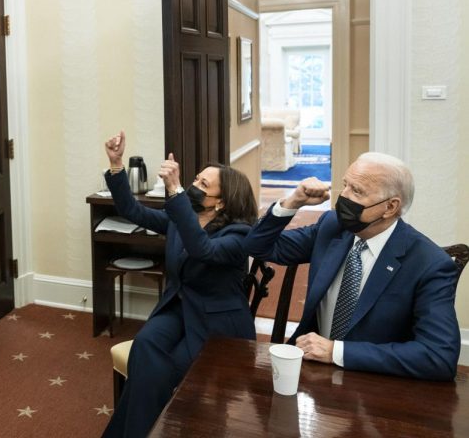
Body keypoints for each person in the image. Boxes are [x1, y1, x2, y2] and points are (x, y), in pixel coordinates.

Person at [244, 152, 460, 381]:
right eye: (345, 185)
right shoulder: (332, 226)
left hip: (377, 386)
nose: (343, 197)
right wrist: (292, 202)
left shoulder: (429, 264)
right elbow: (258, 246)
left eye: (357, 191)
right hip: (312, 375)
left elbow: (439, 356)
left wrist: (335, 351)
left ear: (390, 207)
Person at [101, 131, 258, 438]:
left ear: (222, 202)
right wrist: (116, 164)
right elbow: (132, 211)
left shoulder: (238, 235)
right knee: (145, 347)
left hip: (217, 322)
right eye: (195, 179)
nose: (192, 186)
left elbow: (203, 249)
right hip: (179, 307)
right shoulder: (180, 217)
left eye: (202, 184)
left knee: (163, 371)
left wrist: (173, 191)